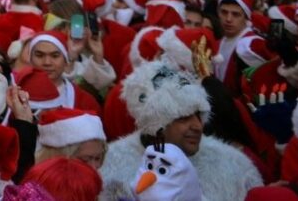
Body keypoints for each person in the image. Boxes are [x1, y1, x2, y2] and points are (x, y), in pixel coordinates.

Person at [99, 59, 262, 201]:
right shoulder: (110, 167)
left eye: (198, 115)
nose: (198, 126)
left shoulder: (235, 167)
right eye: (184, 118)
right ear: (156, 125)